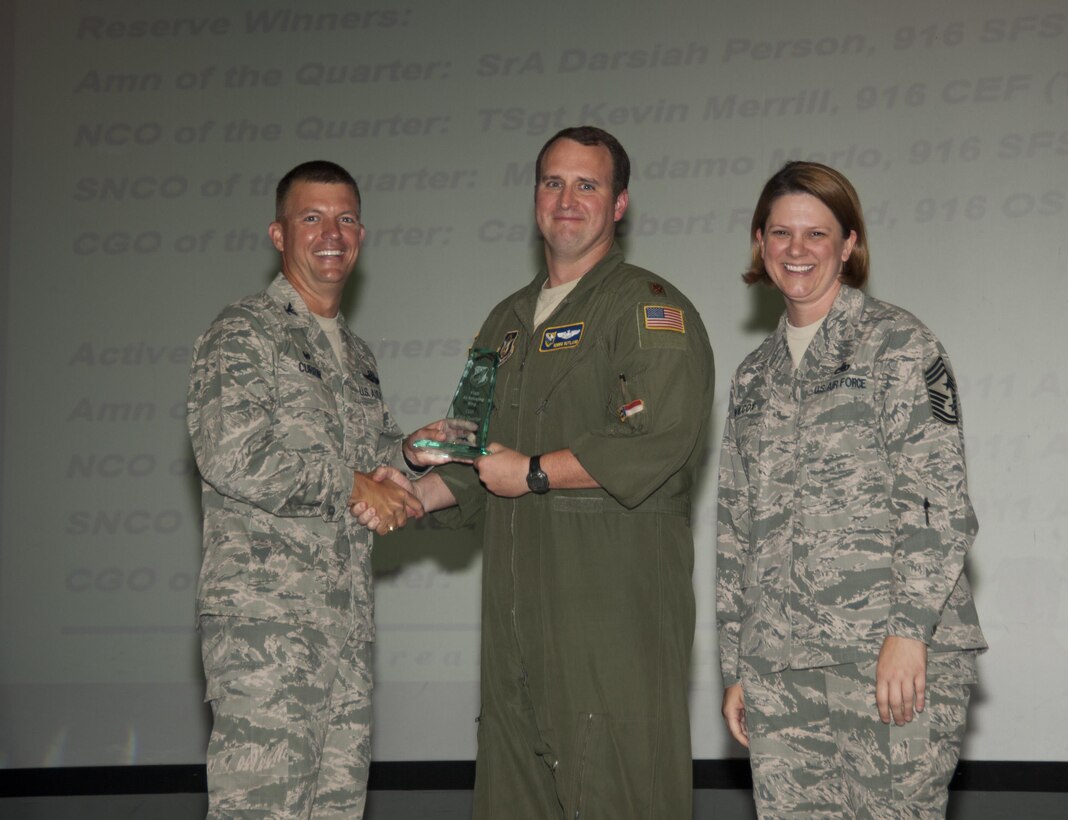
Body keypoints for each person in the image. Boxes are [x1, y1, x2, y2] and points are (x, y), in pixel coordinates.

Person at [378, 126, 714, 819]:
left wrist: (533, 471)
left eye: (587, 184)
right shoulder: (505, 322)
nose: (568, 199)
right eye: (553, 182)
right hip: (514, 633)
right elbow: (478, 464)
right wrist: (410, 495)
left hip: (610, 629)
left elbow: (659, 438)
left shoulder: (650, 311)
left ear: (619, 204)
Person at [716, 161, 987, 817]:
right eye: (781, 233)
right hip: (780, 667)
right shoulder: (755, 376)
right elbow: (735, 528)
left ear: (849, 244)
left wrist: (908, 630)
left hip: (886, 658)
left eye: (817, 234)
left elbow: (936, 500)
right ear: (760, 243)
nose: (797, 250)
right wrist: (737, 665)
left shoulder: (898, 345)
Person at [187, 160, 448, 819]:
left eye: (346, 218)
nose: (332, 232)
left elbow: (371, 459)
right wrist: (355, 481)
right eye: (312, 217)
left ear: (362, 233)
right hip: (267, 636)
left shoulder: (356, 355)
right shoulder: (244, 331)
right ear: (279, 234)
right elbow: (233, 454)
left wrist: (411, 453)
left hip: (346, 633)